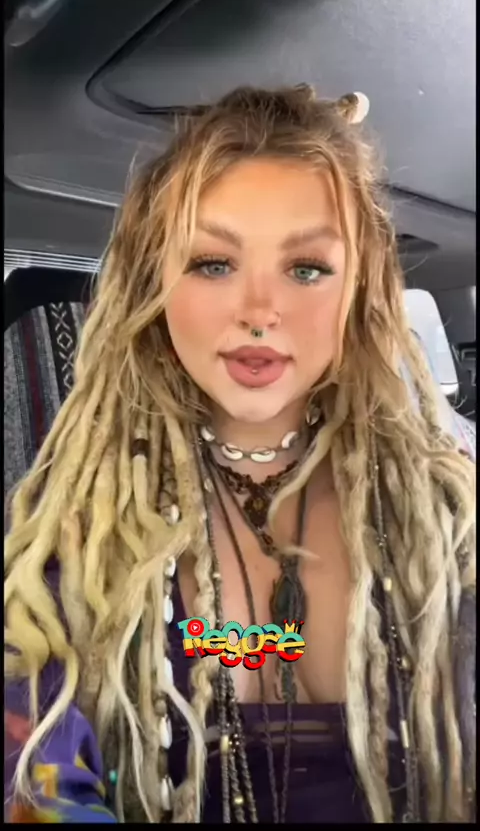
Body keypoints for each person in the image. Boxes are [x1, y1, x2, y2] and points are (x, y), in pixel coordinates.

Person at [4, 85, 476, 824]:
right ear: (154, 283)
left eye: (307, 268)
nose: (260, 311)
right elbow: (34, 782)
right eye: (213, 263)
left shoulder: (450, 514)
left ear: (359, 289)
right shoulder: (80, 533)